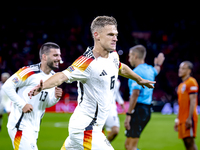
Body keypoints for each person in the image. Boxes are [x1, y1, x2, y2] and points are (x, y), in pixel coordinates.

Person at [28, 16, 156, 150]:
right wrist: (43, 85)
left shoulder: (113, 56)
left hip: (91, 127)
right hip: (84, 128)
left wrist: (138, 79)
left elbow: (121, 67)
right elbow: (62, 76)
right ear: (97, 35)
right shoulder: (87, 62)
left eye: (116, 35)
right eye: (111, 34)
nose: (115, 38)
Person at [2, 42, 63, 150]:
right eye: (55, 55)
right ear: (44, 57)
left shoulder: (54, 77)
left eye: (59, 55)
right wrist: (22, 104)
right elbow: (7, 86)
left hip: (34, 127)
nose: (59, 58)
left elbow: (46, 103)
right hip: (20, 125)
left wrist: (55, 98)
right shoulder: (29, 72)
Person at [124, 45, 165, 150]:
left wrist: (128, 114)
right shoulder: (150, 69)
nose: (129, 59)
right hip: (146, 110)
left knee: (131, 147)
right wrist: (158, 64)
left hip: (138, 110)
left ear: (135, 56)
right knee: (128, 145)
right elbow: (157, 70)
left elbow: (135, 94)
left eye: (130, 56)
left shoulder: (136, 72)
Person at [174, 61, 198, 150]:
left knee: (190, 142)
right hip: (182, 118)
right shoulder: (181, 85)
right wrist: (177, 119)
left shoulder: (192, 82)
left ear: (189, 71)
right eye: (180, 68)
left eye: (183, 68)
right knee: (186, 143)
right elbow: (180, 104)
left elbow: (193, 101)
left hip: (189, 118)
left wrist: (189, 118)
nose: (180, 70)